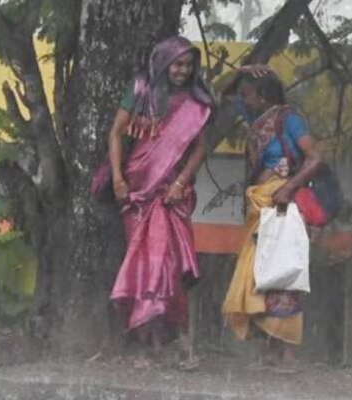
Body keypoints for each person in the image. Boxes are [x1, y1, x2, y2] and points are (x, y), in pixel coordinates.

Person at [101, 36, 214, 370]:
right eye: (178, 64)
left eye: (188, 65)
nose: (183, 71)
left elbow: (199, 149)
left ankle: (175, 340)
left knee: (170, 263)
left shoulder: (196, 101)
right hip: (138, 188)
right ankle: (143, 343)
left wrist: (180, 183)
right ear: (163, 62)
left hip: (171, 192)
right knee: (143, 263)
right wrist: (119, 179)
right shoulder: (140, 88)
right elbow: (116, 133)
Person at [221, 68, 322, 374]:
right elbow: (223, 94)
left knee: (282, 273)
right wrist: (242, 73)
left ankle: (287, 354)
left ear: (262, 96)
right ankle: (268, 349)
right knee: (259, 272)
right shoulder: (254, 118)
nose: (242, 99)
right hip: (261, 204)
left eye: (247, 94)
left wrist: (289, 187)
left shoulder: (288, 118)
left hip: (282, 202)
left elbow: (315, 157)